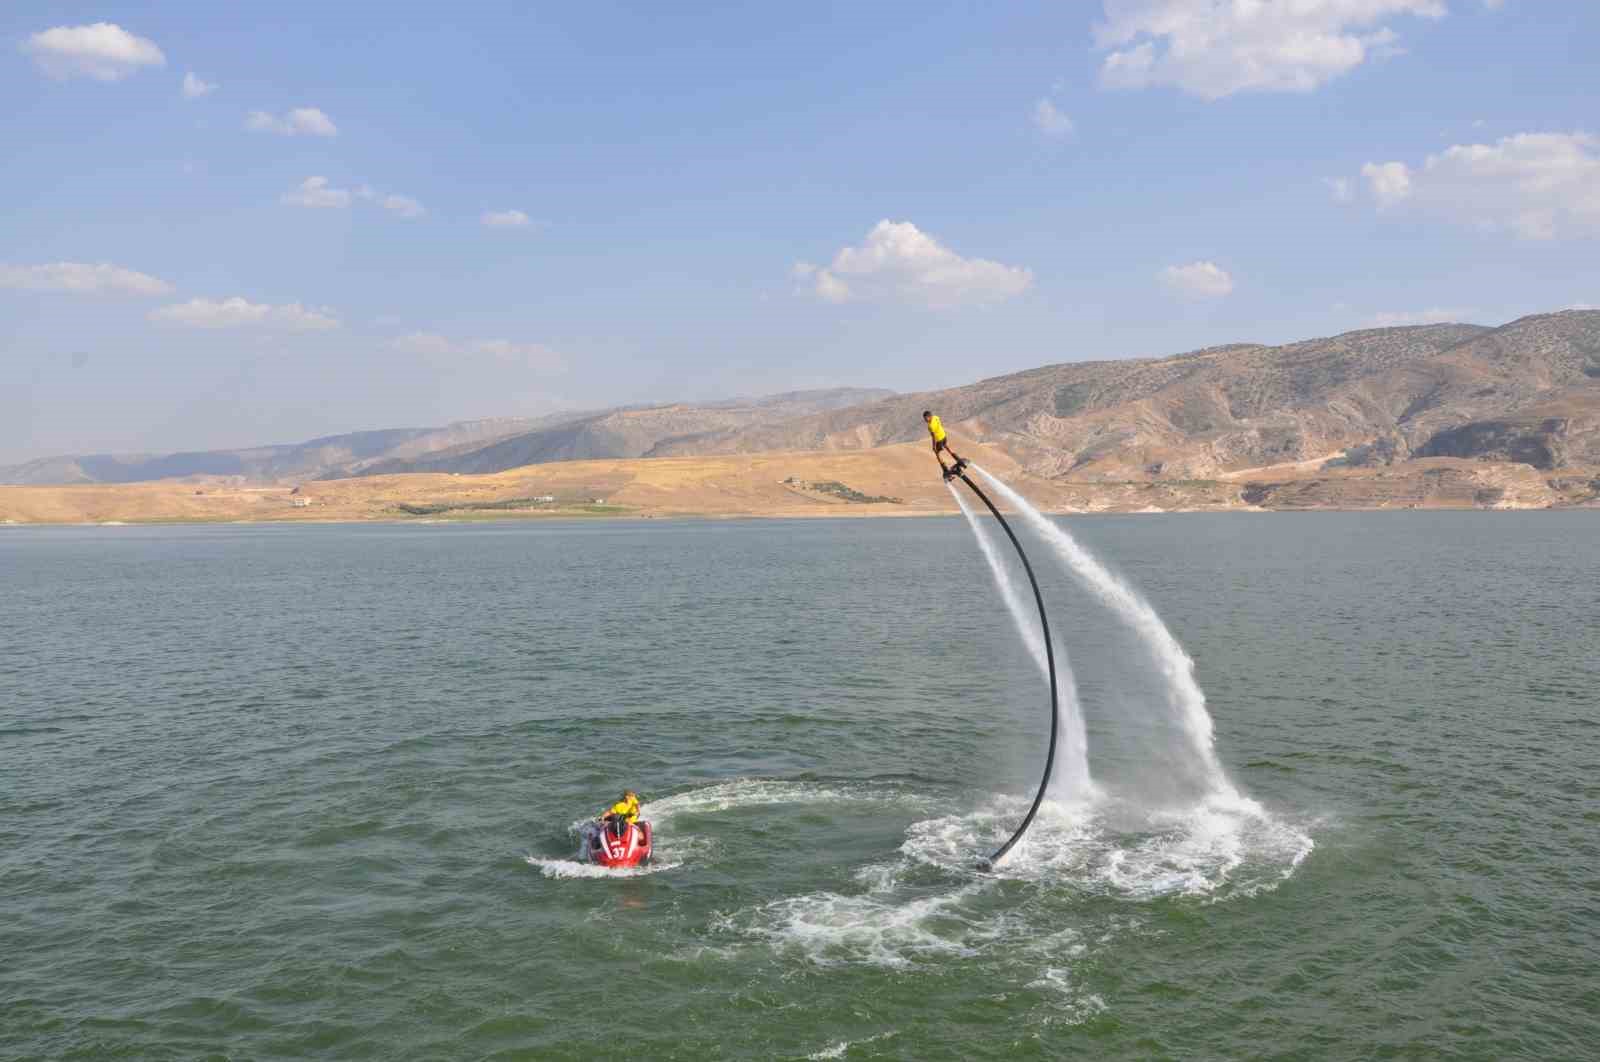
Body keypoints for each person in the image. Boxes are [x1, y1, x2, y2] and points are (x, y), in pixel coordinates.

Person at [923, 410, 967, 477]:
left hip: (939, 440)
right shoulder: (936, 417)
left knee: (937, 453)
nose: (925, 420)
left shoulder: (930, 426)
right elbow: (939, 423)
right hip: (944, 436)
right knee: (947, 447)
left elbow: (933, 437)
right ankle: (958, 459)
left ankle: (945, 468)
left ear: (929, 416)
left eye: (926, 418)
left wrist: (934, 446)